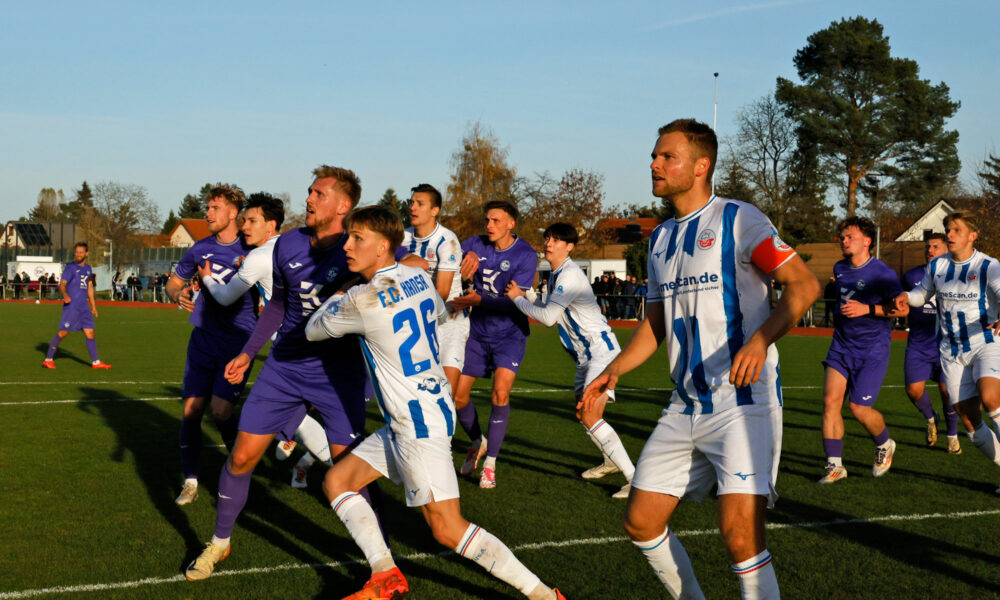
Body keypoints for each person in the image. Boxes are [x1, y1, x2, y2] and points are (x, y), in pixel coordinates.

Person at [582, 119, 820, 599]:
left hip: (742, 404)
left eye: (667, 156)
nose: (655, 163)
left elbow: (805, 284)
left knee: (739, 536)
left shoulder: (739, 219)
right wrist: (612, 372)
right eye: (655, 155)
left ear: (700, 166)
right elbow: (654, 325)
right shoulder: (661, 239)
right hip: (685, 404)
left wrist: (761, 340)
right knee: (641, 521)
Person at [304, 205, 566, 600]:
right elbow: (436, 307)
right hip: (421, 410)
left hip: (417, 424)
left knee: (446, 528)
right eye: (349, 236)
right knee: (338, 481)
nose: (348, 245)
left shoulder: (362, 298)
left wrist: (341, 288)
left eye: (358, 238)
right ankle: (384, 573)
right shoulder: (416, 276)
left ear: (383, 246)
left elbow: (311, 331)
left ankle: (543, 595)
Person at [184, 166, 382, 582]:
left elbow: (400, 265)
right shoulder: (288, 242)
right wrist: (247, 353)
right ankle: (220, 543)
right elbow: (278, 305)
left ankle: (379, 563)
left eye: (318, 194)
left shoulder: (357, 246)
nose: (308, 199)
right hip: (284, 367)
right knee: (240, 456)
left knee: (347, 474)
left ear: (343, 206)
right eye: (309, 191)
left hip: (338, 373)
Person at [196, 192, 328, 489]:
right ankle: (304, 454)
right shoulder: (296, 245)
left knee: (276, 413)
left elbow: (225, 296)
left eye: (252, 221)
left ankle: (352, 475)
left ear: (271, 225)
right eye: (244, 221)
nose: (244, 227)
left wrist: (206, 277)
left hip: (293, 348)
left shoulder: (260, 256)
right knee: (314, 417)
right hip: (323, 343)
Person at [506, 222, 635, 499]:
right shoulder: (556, 275)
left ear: (570, 246)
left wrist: (518, 299)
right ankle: (611, 461)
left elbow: (548, 319)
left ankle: (635, 480)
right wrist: (527, 295)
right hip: (585, 357)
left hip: (600, 353)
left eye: (556, 239)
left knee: (590, 414)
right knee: (584, 415)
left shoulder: (569, 276)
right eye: (547, 237)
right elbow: (549, 309)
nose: (548, 243)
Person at [165, 184, 256, 506]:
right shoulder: (199, 248)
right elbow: (173, 283)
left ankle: (239, 471)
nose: (208, 213)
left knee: (220, 412)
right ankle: (190, 481)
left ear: (233, 213)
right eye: (208, 207)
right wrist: (178, 295)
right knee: (191, 411)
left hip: (237, 341)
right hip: (202, 338)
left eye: (215, 208)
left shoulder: (252, 249)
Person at [896, 212, 1000, 489]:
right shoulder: (938, 266)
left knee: (991, 400)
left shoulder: (989, 266)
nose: (949, 234)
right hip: (950, 352)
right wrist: (906, 298)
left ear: (972, 236)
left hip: (985, 344)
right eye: (947, 229)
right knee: (970, 423)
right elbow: (921, 294)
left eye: (956, 229)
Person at [450, 200, 538, 489]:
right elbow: (451, 256)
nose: (489, 225)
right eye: (487, 220)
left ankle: (490, 465)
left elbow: (516, 304)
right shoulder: (475, 242)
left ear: (511, 223)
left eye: (496, 220)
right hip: (476, 334)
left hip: (509, 335)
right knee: (457, 397)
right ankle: (478, 441)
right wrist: (466, 254)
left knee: (500, 394)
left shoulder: (525, 255)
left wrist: (479, 300)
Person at [819, 216, 909, 484]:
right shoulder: (840, 267)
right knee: (830, 402)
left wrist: (866, 309)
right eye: (843, 237)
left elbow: (901, 310)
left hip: (872, 350)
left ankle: (884, 444)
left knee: (858, 408)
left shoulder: (882, 273)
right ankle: (834, 465)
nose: (844, 241)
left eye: (850, 237)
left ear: (867, 241)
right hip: (842, 345)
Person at [396, 183, 469, 424]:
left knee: (446, 395)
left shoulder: (446, 241)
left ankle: (445, 453)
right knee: (413, 393)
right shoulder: (403, 238)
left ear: (434, 210)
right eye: (412, 202)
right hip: (417, 321)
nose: (413, 207)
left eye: (420, 204)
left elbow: (443, 293)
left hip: (449, 323)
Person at [900, 233, 960, 452]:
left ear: (947, 248)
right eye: (927, 247)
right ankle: (931, 417)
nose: (930, 250)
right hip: (918, 344)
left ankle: (952, 436)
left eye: (935, 246)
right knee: (913, 390)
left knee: (948, 391)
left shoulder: (958, 274)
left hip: (946, 344)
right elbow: (902, 300)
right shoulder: (911, 275)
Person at [41, 242, 113, 369]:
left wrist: (93, 305)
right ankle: (48, 359)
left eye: (81, 252)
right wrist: (65, 295)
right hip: (72, 306)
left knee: (90, 332)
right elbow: (62, 284)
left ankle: (96, 362)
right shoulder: (70, 267)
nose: (78, 254)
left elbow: (90, 286)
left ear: (86, 253)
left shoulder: (88, 269)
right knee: (63, 333)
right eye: (76, 252)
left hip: (84, 307)